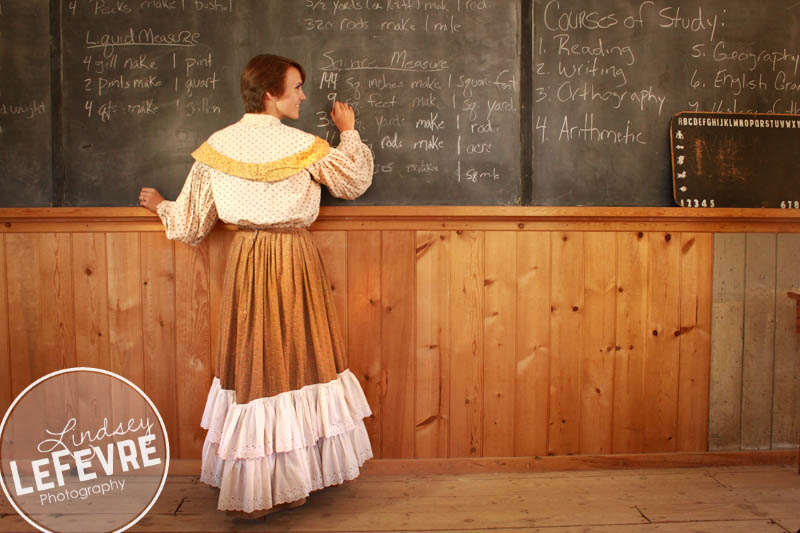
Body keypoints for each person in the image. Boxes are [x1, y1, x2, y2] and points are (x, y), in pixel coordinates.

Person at [139, 54, 374, 519]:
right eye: (296, 87)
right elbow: (354, 180)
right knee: (299, 361)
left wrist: (161, 205)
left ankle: (263, 489)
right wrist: (349, 131)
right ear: (270, 93)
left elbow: (189, 225)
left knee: (255, 364)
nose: (303, 96)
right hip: (294, 260)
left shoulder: (217, 147)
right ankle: (291, 483)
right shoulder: (305, 146)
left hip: (247, 263)